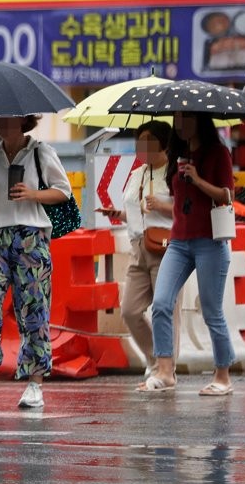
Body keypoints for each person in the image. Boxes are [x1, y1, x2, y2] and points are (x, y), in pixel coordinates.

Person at [0, 115, 73, 410]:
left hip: (30, 236)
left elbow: (63, 191)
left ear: (24, 121)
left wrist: (33, 194)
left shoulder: (40, 152)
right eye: (0, 120)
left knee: (33, 308)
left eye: (11, 119)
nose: (5, 124)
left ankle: (35, 385)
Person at [139, 111, 236, 395]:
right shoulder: (177, 154)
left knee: (211, 310)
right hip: (179, 241)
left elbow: (227, 195)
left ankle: (223, 376)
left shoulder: (218, 153)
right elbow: (179, 199)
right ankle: (166, 371)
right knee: (161, 303)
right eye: (177, 120)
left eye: (186, 119)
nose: (180, 125)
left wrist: (197, 179)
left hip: (210, 240)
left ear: (199, 121)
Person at [96, 120, 180, 384]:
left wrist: (164, 207)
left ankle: (168, 369)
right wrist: (118, 214)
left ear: (164, 144)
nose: (142, 147)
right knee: (130, 311)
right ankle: (156, 360)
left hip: (167, 249)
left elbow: (189, 210)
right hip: (138, 248)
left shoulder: (176, 173)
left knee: (165, 310)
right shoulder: (138, 174)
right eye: (139, 142)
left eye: (149, 142)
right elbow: (136, 211)